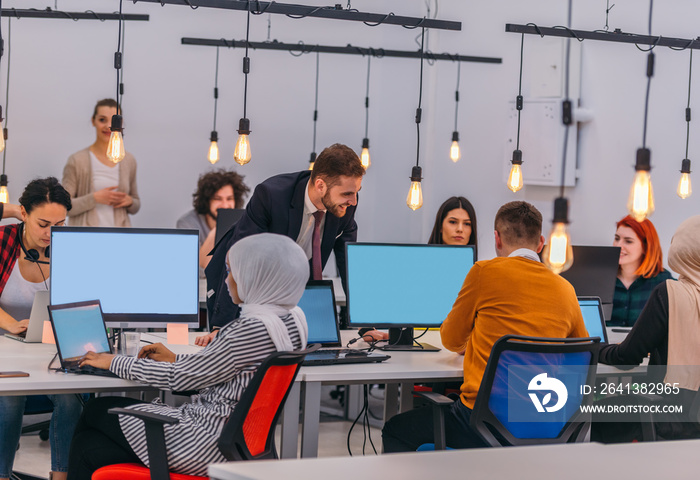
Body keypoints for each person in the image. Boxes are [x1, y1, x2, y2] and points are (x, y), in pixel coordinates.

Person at [66, 233, 309, 479]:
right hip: (238, 441)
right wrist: (176, 359)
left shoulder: (250, 329)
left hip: (203, 442)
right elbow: (220, 368)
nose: (227, 280)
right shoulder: (291, 321)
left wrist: (114, 362)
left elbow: (179, 380)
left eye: (231, 271)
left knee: (96, 409)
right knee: (88, 447)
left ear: (254, 276)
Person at [381, 201, 588, 452]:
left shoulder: (484, 272)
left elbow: (450, 339)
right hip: (545, 422)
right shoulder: (566, 289)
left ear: (497, 239)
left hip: (482, 425)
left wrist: (475, 342)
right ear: (541, 242)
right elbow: (581, 356)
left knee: (396, 429)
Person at [199, 143, 364, 346]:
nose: (354, 201)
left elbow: (349, 264)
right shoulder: (271, 195)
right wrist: (221, 328)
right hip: (237, 284)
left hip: (293, 287)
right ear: (320, 185)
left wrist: (366, 325)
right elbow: (240, 259)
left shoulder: (344, 204)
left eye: (356, 192)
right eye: (347, 194)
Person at [0, 177, 83, 480]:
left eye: (59, 224)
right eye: (43, 223)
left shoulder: (70, 249)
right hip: (5, 350)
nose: (51, 233)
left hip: (52, 348)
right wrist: (12, 325)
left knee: (71, 399)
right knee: (9, 399)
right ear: (23, 214)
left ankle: (60, 476)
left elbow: (82, 302)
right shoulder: (4, 241)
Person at [594, 215, 700, 442]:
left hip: (666, 413)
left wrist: (594, 347)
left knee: (590, 414)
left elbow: (626, 358)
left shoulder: (669, 292)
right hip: (690, 420)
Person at [361, 196, 480, 343]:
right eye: (453, 222)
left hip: (456, 350)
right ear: (440, 227)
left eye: (467, 224)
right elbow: (383, 305)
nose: (460, 229)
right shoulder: (416, 269)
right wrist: (367, 330)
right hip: (418, 346)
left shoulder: (479, 275)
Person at [62, 98, 140, 227]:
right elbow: (64, 207)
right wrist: (94, 198)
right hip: (86, 237)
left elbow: (136, 205)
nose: (109, 126)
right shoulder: (77, 160)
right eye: (102, 120)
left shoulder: (128, 160)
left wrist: (130, 201)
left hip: (119, 237)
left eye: (114, 121)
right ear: (93, 121)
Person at [176, 169, 250, 271]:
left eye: (229, 199)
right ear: (207, 201)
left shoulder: (243, 221)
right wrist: (218, 228)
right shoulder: (187, 223)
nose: (225, 205)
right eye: (217, 199)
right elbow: (196, 268)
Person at [610, 215, 673, 326]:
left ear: (645, 247)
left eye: (628, 241)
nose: (618, 245)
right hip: (605, 343)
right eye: (617, 238)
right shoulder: (602, 277)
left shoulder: (664, 282)